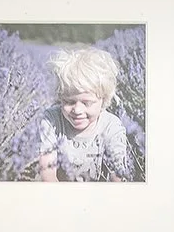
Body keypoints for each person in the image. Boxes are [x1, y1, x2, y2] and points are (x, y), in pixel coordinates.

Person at [19, 46, 138, 183]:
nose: (77, 110)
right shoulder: (51, 120)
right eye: (69, 102)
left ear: (103, 100)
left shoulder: (111, 126)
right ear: (60, 98)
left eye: (86, 103)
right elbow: (47, 173)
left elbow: (117, 176)